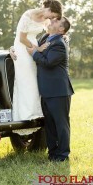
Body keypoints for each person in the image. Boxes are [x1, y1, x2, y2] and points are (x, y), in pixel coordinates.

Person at [22, 16, 74, 161]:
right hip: (45, 90)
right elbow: (29, 45)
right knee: (49, 125)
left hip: (59, 91)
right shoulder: (45, 37)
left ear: (61, 29)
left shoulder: (59, 43)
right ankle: (52, 154)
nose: (52, 20)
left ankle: (63, 155)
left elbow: (48, 62)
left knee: (61, 124)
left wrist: (34, 53)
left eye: (57, 21)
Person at [11, 0, 63, 135]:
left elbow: (54, 30)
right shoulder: (28, 15)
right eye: (52, 16)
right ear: (48, 9)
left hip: (33, 46)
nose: (52, 19)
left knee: (35, 80)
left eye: (54, 18)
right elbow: (21, 38)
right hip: (23, 48)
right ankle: (25, 115)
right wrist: (36, 49)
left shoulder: (46, 20)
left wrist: (64, 36)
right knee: (26, 80)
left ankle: (36, 113)